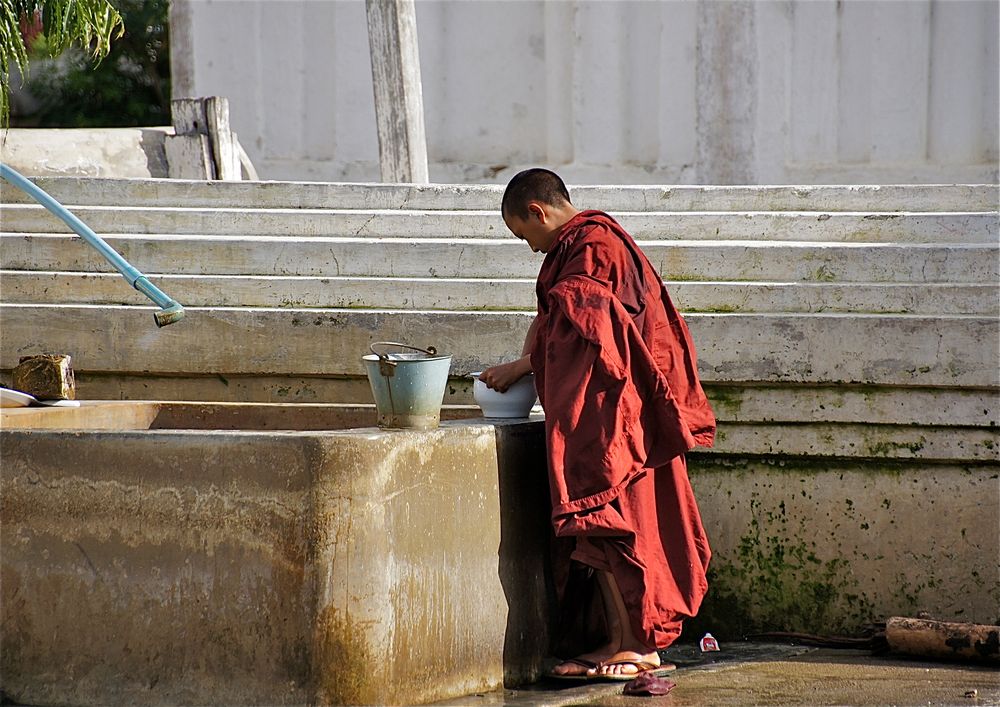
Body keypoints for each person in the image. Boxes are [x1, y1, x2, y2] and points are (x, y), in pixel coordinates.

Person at [480, 168, 716, 680]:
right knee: (600, 524)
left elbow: (592, 334)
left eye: (524, 235)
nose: (530, 248)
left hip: (618, 417)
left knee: (613, 519)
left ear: (538, 213)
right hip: (610, 412)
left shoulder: (595, 246)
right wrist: (527, 361)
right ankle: (619, 640)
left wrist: (521, 368)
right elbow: (556, 320)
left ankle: (638, 645)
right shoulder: (581, 247)